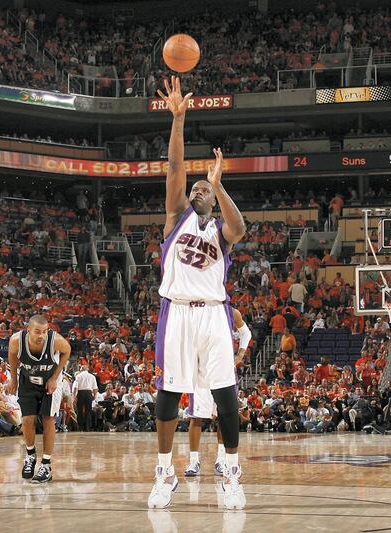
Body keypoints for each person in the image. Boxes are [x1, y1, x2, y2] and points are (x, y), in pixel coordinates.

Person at [148, 76, 246, 511]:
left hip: (213, 316)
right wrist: (178, 119)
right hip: (177, 313)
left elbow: (240, 228)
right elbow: (174, 168)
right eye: (196, 189)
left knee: (225, 396)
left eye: (203, 189)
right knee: (169, 395)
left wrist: (220, 184)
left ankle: (230, 471)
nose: (196, 190)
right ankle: (164, 471)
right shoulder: (176, 219)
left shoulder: (220, 232)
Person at [184, 308, 252, 477]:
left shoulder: (231, 311)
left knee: (224, 415)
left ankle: (221, 460)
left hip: (223, 371)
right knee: (196, 416)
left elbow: (246, 333)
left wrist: (240, 354)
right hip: (199, 371)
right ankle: (194, 460)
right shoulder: (195, 309)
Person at [7, 315, 71, 484]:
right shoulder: (16, 341)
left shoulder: (56, 341)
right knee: (27, 419)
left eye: (44, 331)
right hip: (28, 380)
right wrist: (13, 379)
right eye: (37, 331)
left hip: (49, 382)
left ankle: (46, 464)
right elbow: (12, 357)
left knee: (48, 419)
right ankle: (30, 455)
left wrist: (55, 377)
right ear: (28, 330)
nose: (41, 335)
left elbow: (67, 351)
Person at [74, 361, 97, 432]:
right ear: (87, 369)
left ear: (81, 370)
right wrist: (94, 395)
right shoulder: (92, 376)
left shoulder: (78, 376)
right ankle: (87, 428)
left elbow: (75, 387)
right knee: (88, 411)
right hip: (89, 393)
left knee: (79, 410)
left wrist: (75, 396)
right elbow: (95, 388)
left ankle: (80, 427)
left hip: (81, 393)